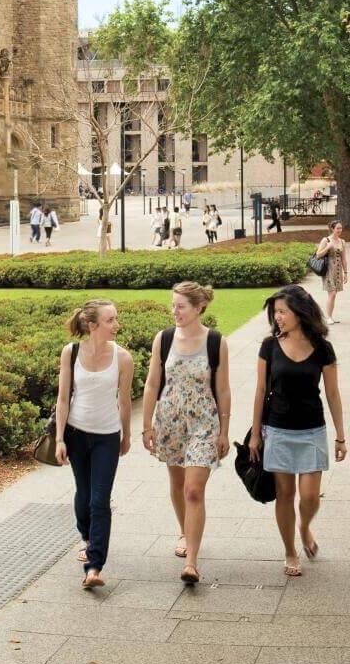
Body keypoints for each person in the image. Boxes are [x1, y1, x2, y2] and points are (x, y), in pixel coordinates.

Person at [249, 286, 345, 577]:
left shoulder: (323, 348)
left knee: (311, 496)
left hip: (312, 430)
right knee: (285, 494)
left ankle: (304, 527)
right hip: (277, 430)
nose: (277, 317)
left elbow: (332, 394)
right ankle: (291, 551)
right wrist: (256, 434)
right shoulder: (269, 346)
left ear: (300, 312)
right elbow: (260, 390)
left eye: (283, 311)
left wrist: (341, 436)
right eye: (275, 312)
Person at [142, 282, 231, 583]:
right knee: (178, 482)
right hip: (170, 422)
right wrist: (146, 426)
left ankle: (191, 562)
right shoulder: (163, 338)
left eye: (181, 306)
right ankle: (184, 531)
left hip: (204, 424)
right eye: (173, 305)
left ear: (198, 308)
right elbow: (153, 383)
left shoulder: (216, 341)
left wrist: (224, 431)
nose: (175, 311)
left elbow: (223, 388)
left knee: (194, 489)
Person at [54, 300, 134, 589]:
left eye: (116, 318)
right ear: (92, 325)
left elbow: (124, 400)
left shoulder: (123, 358)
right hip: (76, 434)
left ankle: (94, 566)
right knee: (84, 495)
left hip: (107, 437)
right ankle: (87, 537)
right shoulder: (71, 353)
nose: (116, 324)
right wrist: (60, 438)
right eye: (110, 320)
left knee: (100, 500)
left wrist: (126, 435)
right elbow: (63, 399)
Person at [315, 221, 347, 325]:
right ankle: (328, 317)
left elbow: (344, 259)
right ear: (332, 229)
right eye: (337, 228)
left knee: (334, 295)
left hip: (337, 271)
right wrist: (328, 247)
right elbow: (318, 255)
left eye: (341, 228)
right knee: (332, 294)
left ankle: (330, 316)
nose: (339, 230)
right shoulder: (326, 240)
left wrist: (345, 272)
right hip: (328, 270)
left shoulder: (342, 242)